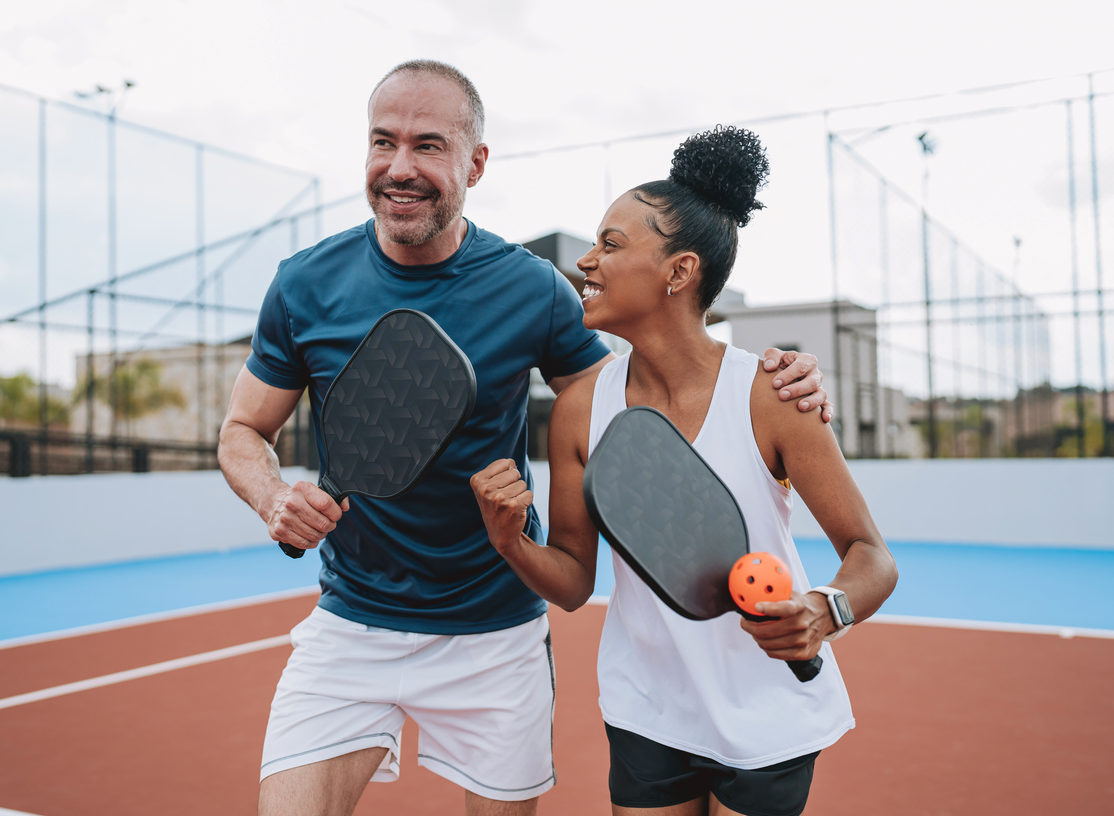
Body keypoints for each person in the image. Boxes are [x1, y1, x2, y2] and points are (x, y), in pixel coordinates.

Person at [220, 61, 834, 816]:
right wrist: (271, 494)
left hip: (495, 633)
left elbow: (635, 394)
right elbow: (244, 430)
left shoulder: (531, 288)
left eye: (428, 145)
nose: (400, 167)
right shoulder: (303, 282)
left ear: (475, 163)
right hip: (350, 623)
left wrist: (773, 378)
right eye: (383, 142)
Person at [471, 126, 898, 816]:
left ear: (679, 272)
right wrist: (510, 541)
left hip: (769, 713)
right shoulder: (579, 409)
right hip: (648, 710)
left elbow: (871, 556)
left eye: (611, 244)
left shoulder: (772, 395)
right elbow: (575, 582)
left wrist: (825, 610)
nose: (585, 260)